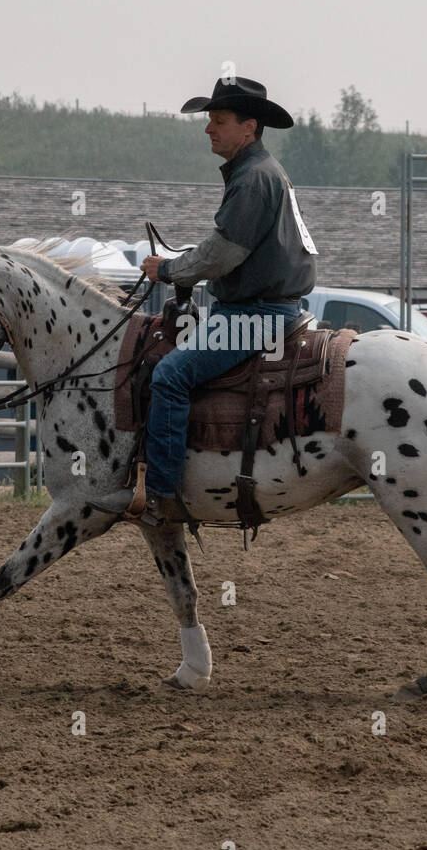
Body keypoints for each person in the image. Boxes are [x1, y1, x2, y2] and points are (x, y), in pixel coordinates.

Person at [92, 76, 317, 524]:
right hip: (267, 308)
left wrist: (171, 270)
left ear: (248, 127)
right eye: (209, 120)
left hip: (257, 316)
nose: (208, 129)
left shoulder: (252, 179)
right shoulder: (262, 172)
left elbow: (224, 254)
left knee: (171, 375)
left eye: (218, 120)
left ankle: (158, 492)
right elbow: (226, 248)